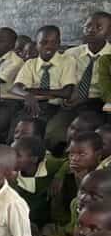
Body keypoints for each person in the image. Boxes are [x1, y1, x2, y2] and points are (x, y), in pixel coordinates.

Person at [11, 25, 79, 153]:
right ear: (36, 45)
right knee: (17, 130)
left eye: (53, 42)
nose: (48, 46)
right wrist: (27, 95)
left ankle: (42, 160)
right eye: (43, 42)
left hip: (58, 107)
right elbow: (16, 88)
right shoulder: (31, 63)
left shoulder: (67, 61)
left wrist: (33, 91)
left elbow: (66, 92)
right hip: (33, 105)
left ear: (59, 44)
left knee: (51, 135)